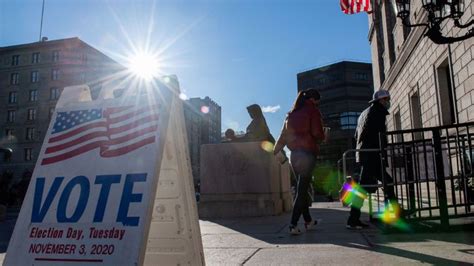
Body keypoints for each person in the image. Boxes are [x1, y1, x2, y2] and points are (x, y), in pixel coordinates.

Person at [273, 89, 325, 235]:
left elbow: (283, 136)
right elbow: (317, 133)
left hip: (294, 155)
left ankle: (308, 221)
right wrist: (324, 136)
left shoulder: (290, 115)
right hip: (308, 154)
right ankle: (293, 224)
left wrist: (275, 151)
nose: (317, 104)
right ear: (314, 100)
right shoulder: (312, 111)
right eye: (318, 102)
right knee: (302, 191)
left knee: (302, 188)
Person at [347, 89, 401, 229]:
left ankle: (392, 213)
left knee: (385, 183)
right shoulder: (377, 112)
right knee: (367, 188)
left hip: (367, 154)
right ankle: (354, 220)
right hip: (372, 154)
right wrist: (381, 150)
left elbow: (356, 136)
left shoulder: (365, 113)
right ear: (380, 101)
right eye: (386, 99)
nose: (388, 102)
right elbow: (379, 135)